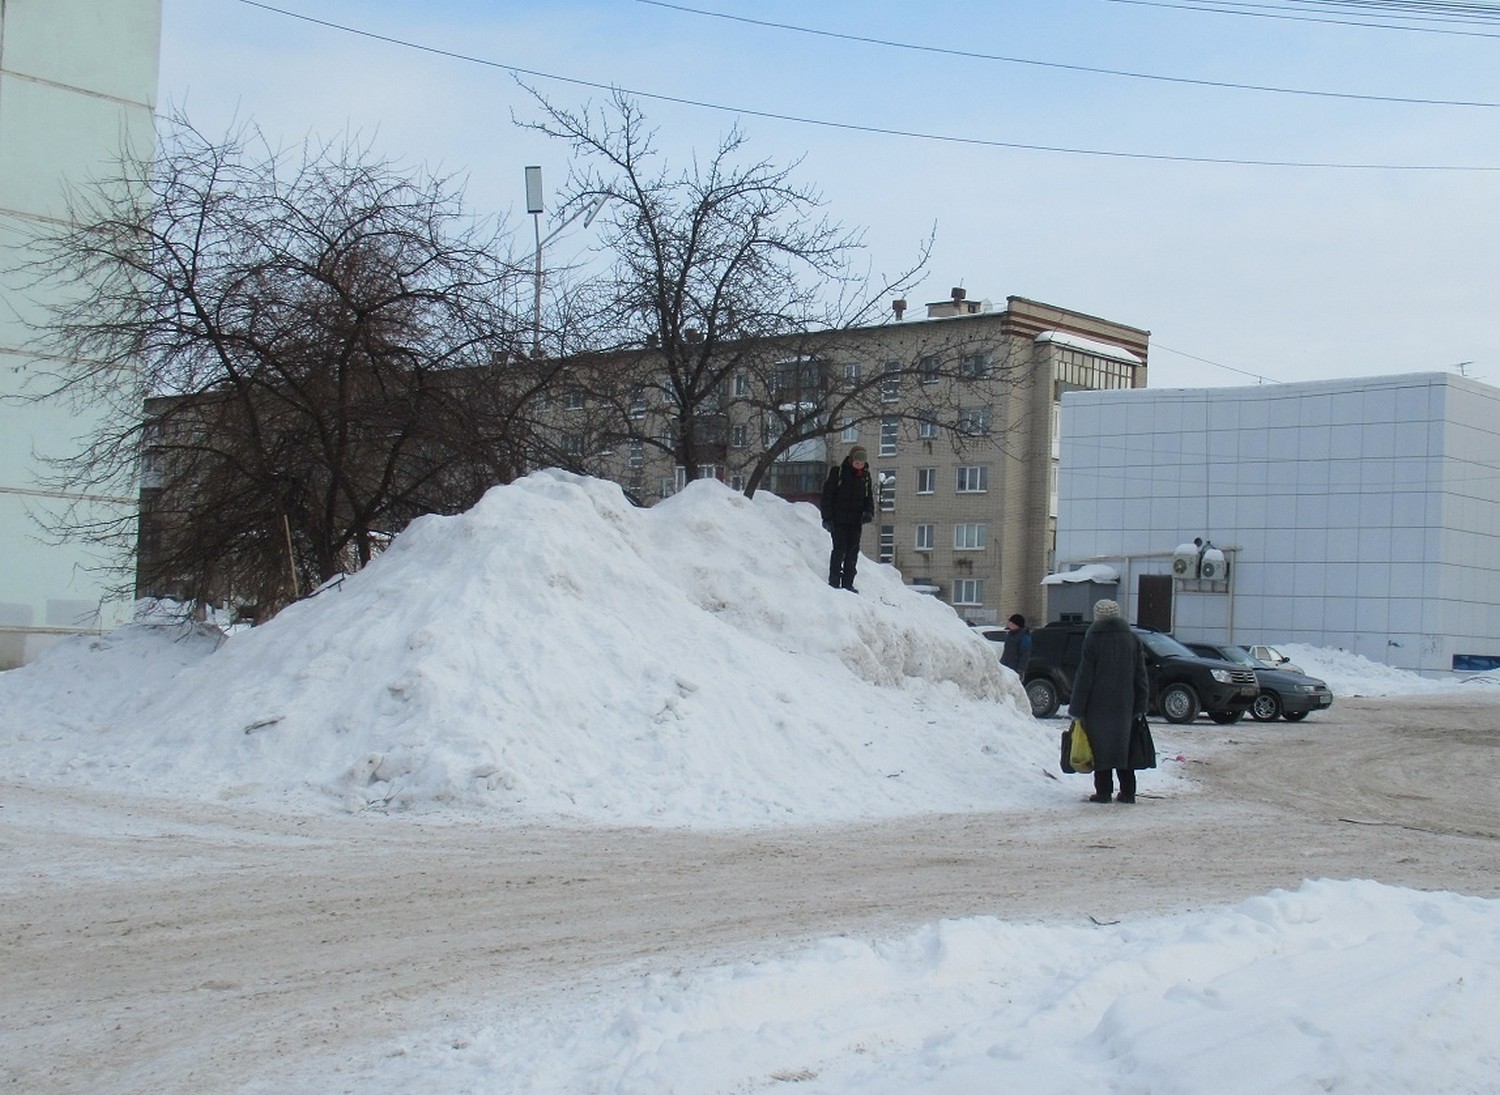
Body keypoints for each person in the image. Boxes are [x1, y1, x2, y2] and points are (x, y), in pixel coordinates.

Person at [1067, 599, 1150, 803]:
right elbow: (1141, 676)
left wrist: (1076, 707)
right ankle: (1128, 793)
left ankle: (1103, 792)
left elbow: (1084, 677)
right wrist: (1140, 704)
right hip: (1126, 704)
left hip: (1097, 705)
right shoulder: (1132, 639)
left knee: (1100, 747)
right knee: (1125, 749)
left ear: (1098, 617)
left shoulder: (1093, 640)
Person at [820, 445, 875, 592]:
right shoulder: (838, 473)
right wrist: (827, 518)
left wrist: (869, 512)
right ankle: (834, 582)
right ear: (851, 460)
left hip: (856, 521)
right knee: (840, 550)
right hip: (838, 520)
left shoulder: (865, 477)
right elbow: (827, 496)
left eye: (862, 464)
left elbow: (868, 497)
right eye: (857, 463)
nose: (859, 466)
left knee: (852, 552)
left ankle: (848, 583)